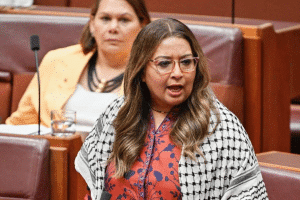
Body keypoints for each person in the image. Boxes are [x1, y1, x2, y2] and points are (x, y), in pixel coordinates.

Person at [75, 18, 268, 199]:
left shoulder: (223, 128)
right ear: (141, 71)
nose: (177, 73)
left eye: (186, 62)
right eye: (164, 64)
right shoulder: (117, 114)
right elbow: (94, 190)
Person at [5, 0, 150, 132]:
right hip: (55, 155)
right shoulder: (56, 61)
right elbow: (21, 124)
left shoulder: (152, 70)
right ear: (92, 24)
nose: (113, 27)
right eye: (105, 18)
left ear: (142, 26)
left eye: (124, 20)